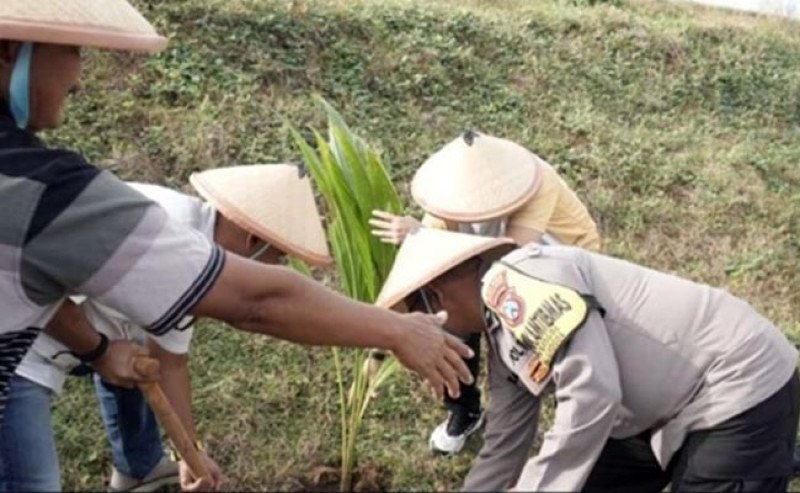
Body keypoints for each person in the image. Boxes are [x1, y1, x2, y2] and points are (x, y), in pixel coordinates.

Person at [0, 3, 473, 492]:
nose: (80, 77)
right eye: (73, 49)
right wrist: (395, 330)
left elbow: (159, 352)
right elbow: (257, 301)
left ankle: (138, 467)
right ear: (10, 47)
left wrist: (188, 448)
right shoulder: (53, 192)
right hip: (25, 365)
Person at [375, 227, 799, 492]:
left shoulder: (515, 284)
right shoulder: (502, 332)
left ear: (437, 299)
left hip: (733, 384)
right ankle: (774, 458)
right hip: (653, 413)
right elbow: (504, 445)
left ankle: (765, 458)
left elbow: (593, 394)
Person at [12, 164, 332, 491]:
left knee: (133, 352)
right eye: (276, 260)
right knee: (29, 481)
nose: (273, 270)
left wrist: (190, 454)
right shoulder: (163, 233)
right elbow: (23, 281)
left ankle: (139, 468)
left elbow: (169, 361)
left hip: (66, 324)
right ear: (252, 240)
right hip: (17, 339)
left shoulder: (198, 251)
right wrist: (99, 350)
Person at [369, 130, 601, 454]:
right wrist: (422, 239)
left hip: (559, 261)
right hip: (489, 261)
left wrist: (423, 235)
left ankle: (573, 408)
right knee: (450, 318)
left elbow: (514, 263)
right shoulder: (446, 198)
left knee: (532, 339)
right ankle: (465, 410)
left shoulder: (537, 182)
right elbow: (432, 267)